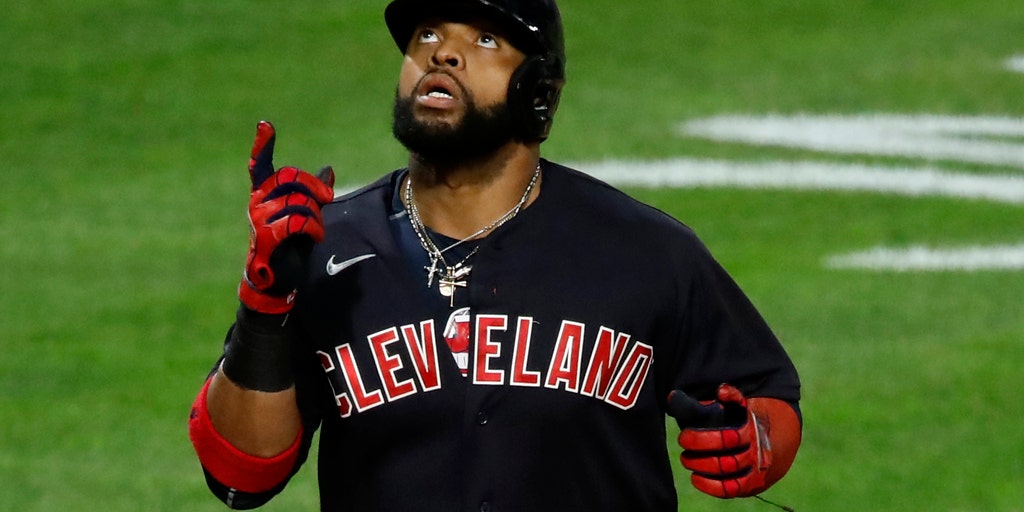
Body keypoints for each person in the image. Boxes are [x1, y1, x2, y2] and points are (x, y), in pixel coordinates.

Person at [188, 0, 803, 510]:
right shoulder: (328, 249)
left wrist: (754, 439)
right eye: (427, 35)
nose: (441, 53)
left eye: (484, 40)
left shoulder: (646, 251)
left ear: (538, 91)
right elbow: (242, 472)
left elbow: (763, 397)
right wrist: (264, 303)